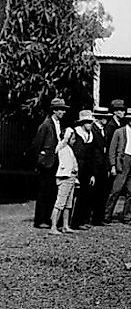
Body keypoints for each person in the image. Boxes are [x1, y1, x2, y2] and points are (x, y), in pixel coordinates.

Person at [31, 97, 69, 228]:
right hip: (47, 162)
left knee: (52, 191)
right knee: (43, 191)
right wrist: (41, 159)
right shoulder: (46, 125)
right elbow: (37, 144)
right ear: (54, 111)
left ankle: (48, 218)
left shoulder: (58, 124)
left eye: (63, 110)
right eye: (60, 110)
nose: (63, 112)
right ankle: (40, 220)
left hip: (56, 161)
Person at [105, 107, 131, 224]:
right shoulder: (119, 132)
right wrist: (113, 165)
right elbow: (112, 150)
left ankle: (127, 217)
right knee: (115, 191)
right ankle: (107, 215)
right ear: (128, 119)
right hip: (123, 162)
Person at [70, 110, 96, 230]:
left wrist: (92, 174)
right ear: (82, 123)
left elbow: (92, 156)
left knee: (85, 195)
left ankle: (80, 221)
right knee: (72, 195)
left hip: (87, 169)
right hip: (75, 167)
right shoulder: (75, 133)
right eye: (87, 122)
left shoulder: (91, 136)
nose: (89, 125)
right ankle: (68, 222)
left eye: (91, 122)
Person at [49, 128, 78, 235]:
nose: (74, 141)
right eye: (73, 139)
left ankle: (65, 225)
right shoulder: (62, 147)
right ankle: (53, 227)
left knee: (68, 204)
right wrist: (68, 134)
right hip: (64, 178)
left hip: (71, 177)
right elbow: (63, 141)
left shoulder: (69, 149)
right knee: (60, 203)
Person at [90, 106, 111, 226]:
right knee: (93, 192)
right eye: (103, 117)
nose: (106, 120)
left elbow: (106, 149)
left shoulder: (105, 130)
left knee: (102, 192)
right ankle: (92, 218)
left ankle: (99, 218)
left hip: (103, 165)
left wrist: (107, 166)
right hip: (95, 164)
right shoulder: (93, 129)